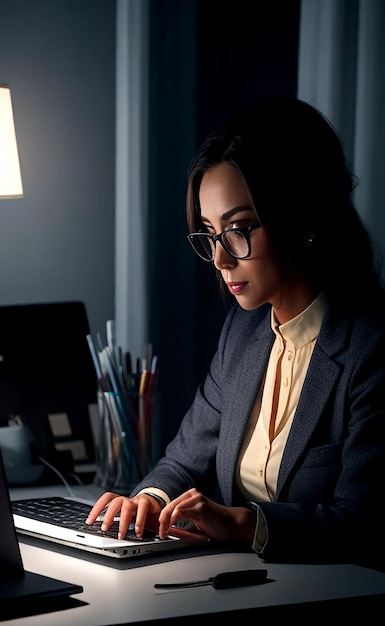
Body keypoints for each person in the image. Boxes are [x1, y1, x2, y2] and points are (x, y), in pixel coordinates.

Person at [86, 97, 385, 571]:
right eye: (210, 232)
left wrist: (247, 524)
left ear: (302, 222)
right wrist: (147, 497)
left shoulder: (372, 347)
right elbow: (183, 461)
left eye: (240, 228)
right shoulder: (243, 332)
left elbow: (367, 524)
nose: (221, 259)